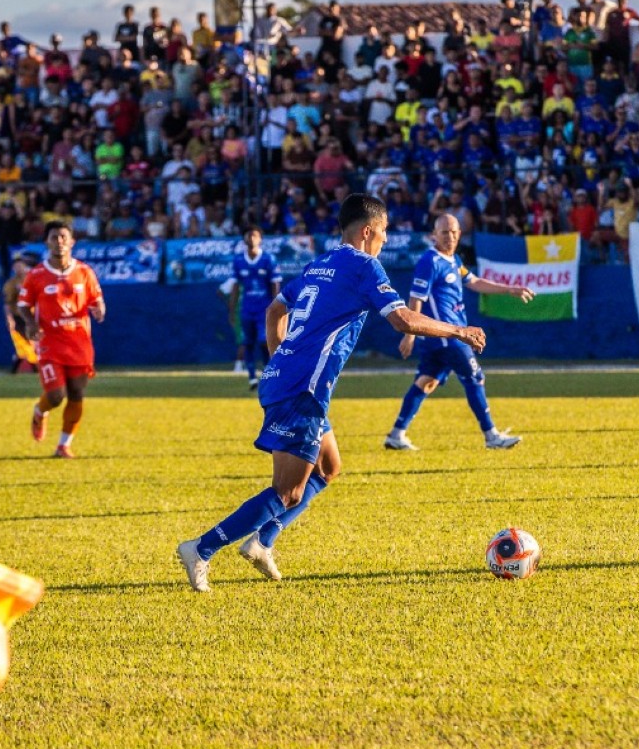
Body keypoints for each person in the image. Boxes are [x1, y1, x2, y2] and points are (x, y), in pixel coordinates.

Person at [176, 195, 486, 591]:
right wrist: (460, 330)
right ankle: (201, 548)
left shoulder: (320, 263)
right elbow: (403, 320)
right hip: (301, 388)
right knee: (288, 492)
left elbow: (276, 310)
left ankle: (262, 542)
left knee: (329, 468)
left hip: (291, 378)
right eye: (385, 232)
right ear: (368, 231)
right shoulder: (364, 266)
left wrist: (280, 358)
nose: (386, 240)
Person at [384, 214, 533, 452]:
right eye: (444, 233)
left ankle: (396, 434)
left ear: (460, 233)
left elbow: (474, 282)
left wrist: (510, 290)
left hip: (442, 338)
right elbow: (416, 299)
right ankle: (491, 436)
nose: (450, 237)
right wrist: (410, 334)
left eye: (454, 232)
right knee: (474, 378)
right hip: (448, 337)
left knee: (426, 381)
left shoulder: (453, 259)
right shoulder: (429, 261)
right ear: (434, 235)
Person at [16, 220, 105, 459]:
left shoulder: (85, 272)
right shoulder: (36, 275)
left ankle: (64, 445)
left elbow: (97, 299)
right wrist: (31, 323)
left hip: (79, 342)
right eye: (54, 237)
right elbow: (23, 305)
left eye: (64, 237)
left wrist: (99, 309)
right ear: (47, 242)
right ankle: (39, 410)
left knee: (76, 393)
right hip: (50, 342)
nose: (59, 242)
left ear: (72, 242)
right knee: (56, 396)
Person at [221, 226, 281, 389]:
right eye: (248, 235)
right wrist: (232, 310)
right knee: (247, 342)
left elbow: (275, 284)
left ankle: (267, 372)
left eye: (254, 235)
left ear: (260, 239)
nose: (251, 238)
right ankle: (252, 377)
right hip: (247, 309)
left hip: (264, 309)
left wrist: (276, 307)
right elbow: (234, 286)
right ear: (244, 239)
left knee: (264, 341)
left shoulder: (268, 259)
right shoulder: (238, 261)